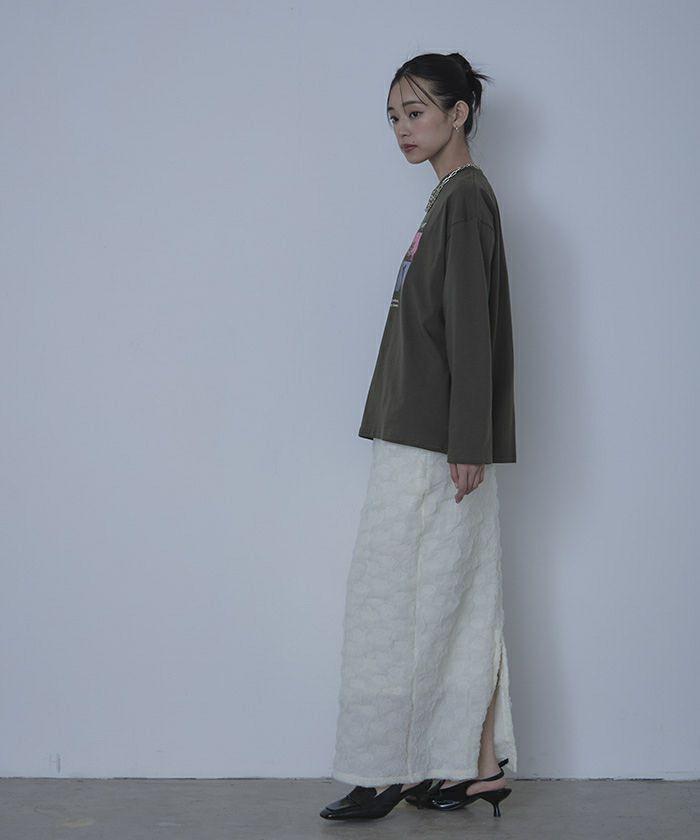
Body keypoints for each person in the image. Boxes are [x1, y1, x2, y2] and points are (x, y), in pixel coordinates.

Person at [320, 51, 518, 822]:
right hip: (422, 430)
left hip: (436, 441)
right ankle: (471, 766)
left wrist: (467, 440)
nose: (403, 129)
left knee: (399, 601)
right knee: (447, 598)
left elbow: (470, 328)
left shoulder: (464, 200)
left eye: (417, 112)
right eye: (394, 117)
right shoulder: (449, 199)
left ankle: (388, 768)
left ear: (458, 113)